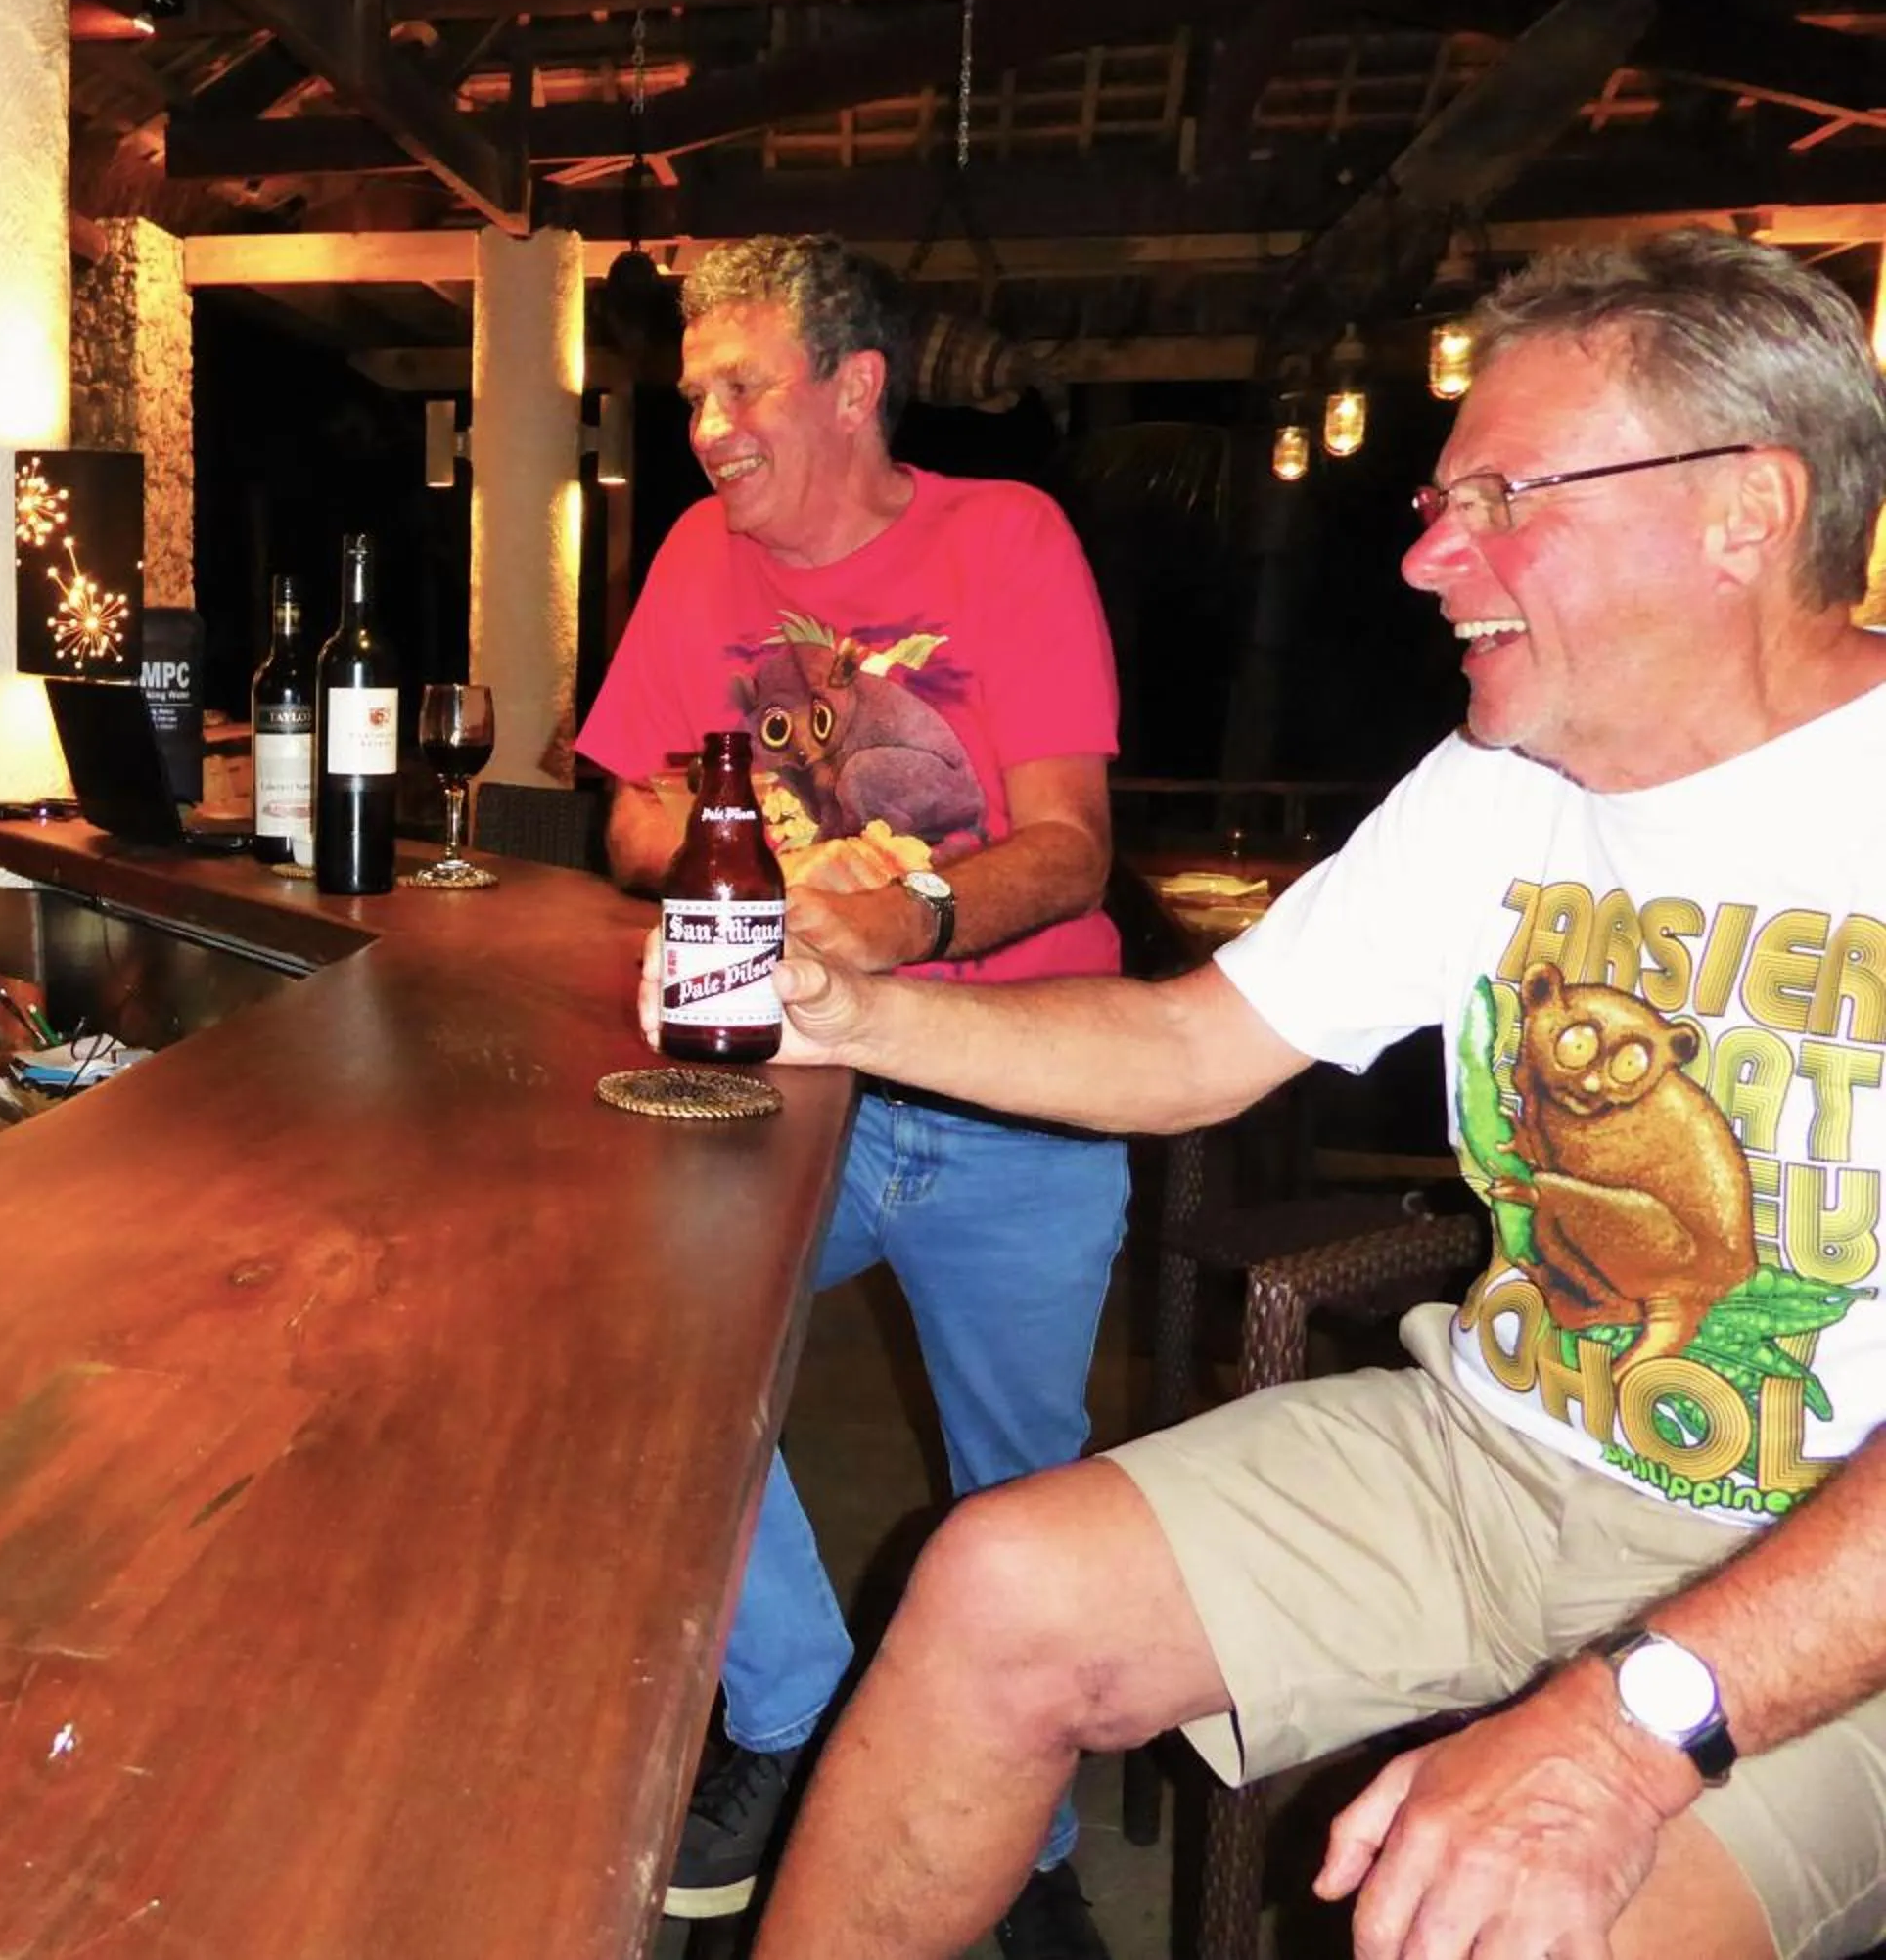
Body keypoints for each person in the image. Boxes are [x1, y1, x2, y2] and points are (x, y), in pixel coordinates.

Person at [655, 230, 1886, 1960]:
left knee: (1522, 1932)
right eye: (1441, 504)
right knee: (996, 1584)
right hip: (1491, 1451)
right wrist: (840, 1013)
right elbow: (1185, 1051)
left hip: (1830, 1565)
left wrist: (1625, 1730)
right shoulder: (1501, 776)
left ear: (1746, 511)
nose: (1430, 557)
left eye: (1502, 498)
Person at [578, 234, 1129, 1952]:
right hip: (797, 1089)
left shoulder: (1007, 539)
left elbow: (1071, 847)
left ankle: (1019, 1849)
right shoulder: (694, 560)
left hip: (1012, 1090)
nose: (710, 426)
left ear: (853, 384)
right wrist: (745, 841)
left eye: (742, 386)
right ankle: (797, 1691)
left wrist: (913, 910)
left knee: (1016, 1496)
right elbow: (629, 820)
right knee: (631, 1344)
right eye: (692, 396)